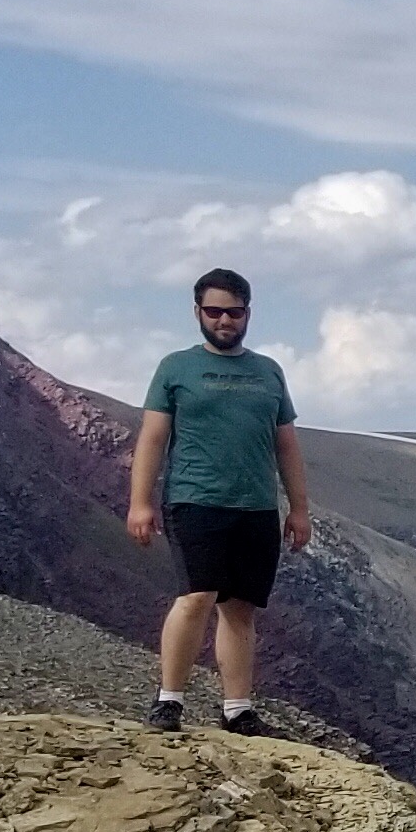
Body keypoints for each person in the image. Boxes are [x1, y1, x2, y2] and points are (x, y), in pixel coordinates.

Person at [125, 267, 312, 734]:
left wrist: (300, 508)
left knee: (241, 606)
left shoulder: (269, 371)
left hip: (255, 506)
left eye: (234, 312)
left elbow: (286, 443)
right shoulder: (176, 368)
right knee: (197, 595)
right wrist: (140, 502)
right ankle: (169, 700)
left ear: (248, 314)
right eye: (214, 311)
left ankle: (237, 708)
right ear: (198, 313)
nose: (224, 320)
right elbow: (151, 438)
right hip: (194, 499)